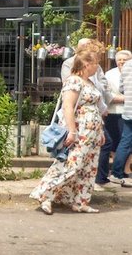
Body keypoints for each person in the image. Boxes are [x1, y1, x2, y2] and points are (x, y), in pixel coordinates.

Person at [31, 49, 106, 214]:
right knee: (71, 164)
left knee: (89, 167)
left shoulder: (90, 83)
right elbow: (68, 106)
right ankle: (45, 194)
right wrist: (72, 131)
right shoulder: (74, 81)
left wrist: (100, 132)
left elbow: (97, 109)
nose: (97, 66)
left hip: (92, 132)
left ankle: (81, 201)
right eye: (95, 63)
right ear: (87, 64)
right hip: (80, 131)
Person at [97, 49, 129, 187]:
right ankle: (118, 172)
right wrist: (126, 98)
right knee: (117, 143)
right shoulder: (110, 74)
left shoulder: (126, 71)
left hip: (126, 111)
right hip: (113, 111)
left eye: (125, 59)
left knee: (125, 142)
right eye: (119, 59)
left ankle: (123, 171)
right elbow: (107, 94)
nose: (122, 62)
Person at [110, 55, 132, 187]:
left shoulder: (127, 66)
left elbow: (122, 88)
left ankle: (116, 173)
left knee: (125, 142)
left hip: (129, 109)